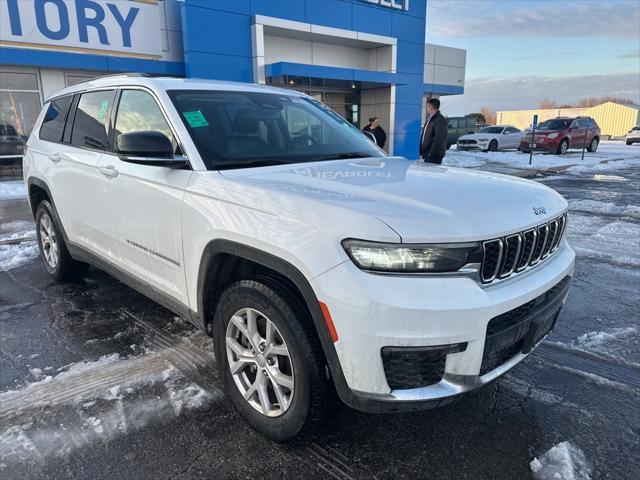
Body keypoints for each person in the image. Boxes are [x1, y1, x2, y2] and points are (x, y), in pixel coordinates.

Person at [419, 98, 448, 164]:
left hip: (434, 155)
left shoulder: (440, 120)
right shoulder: (429, 119)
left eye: (428, 106)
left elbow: (438, 139)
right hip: (426, 154)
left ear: (432, 107)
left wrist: (430, 153)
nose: (426, 108)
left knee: (432, 173)